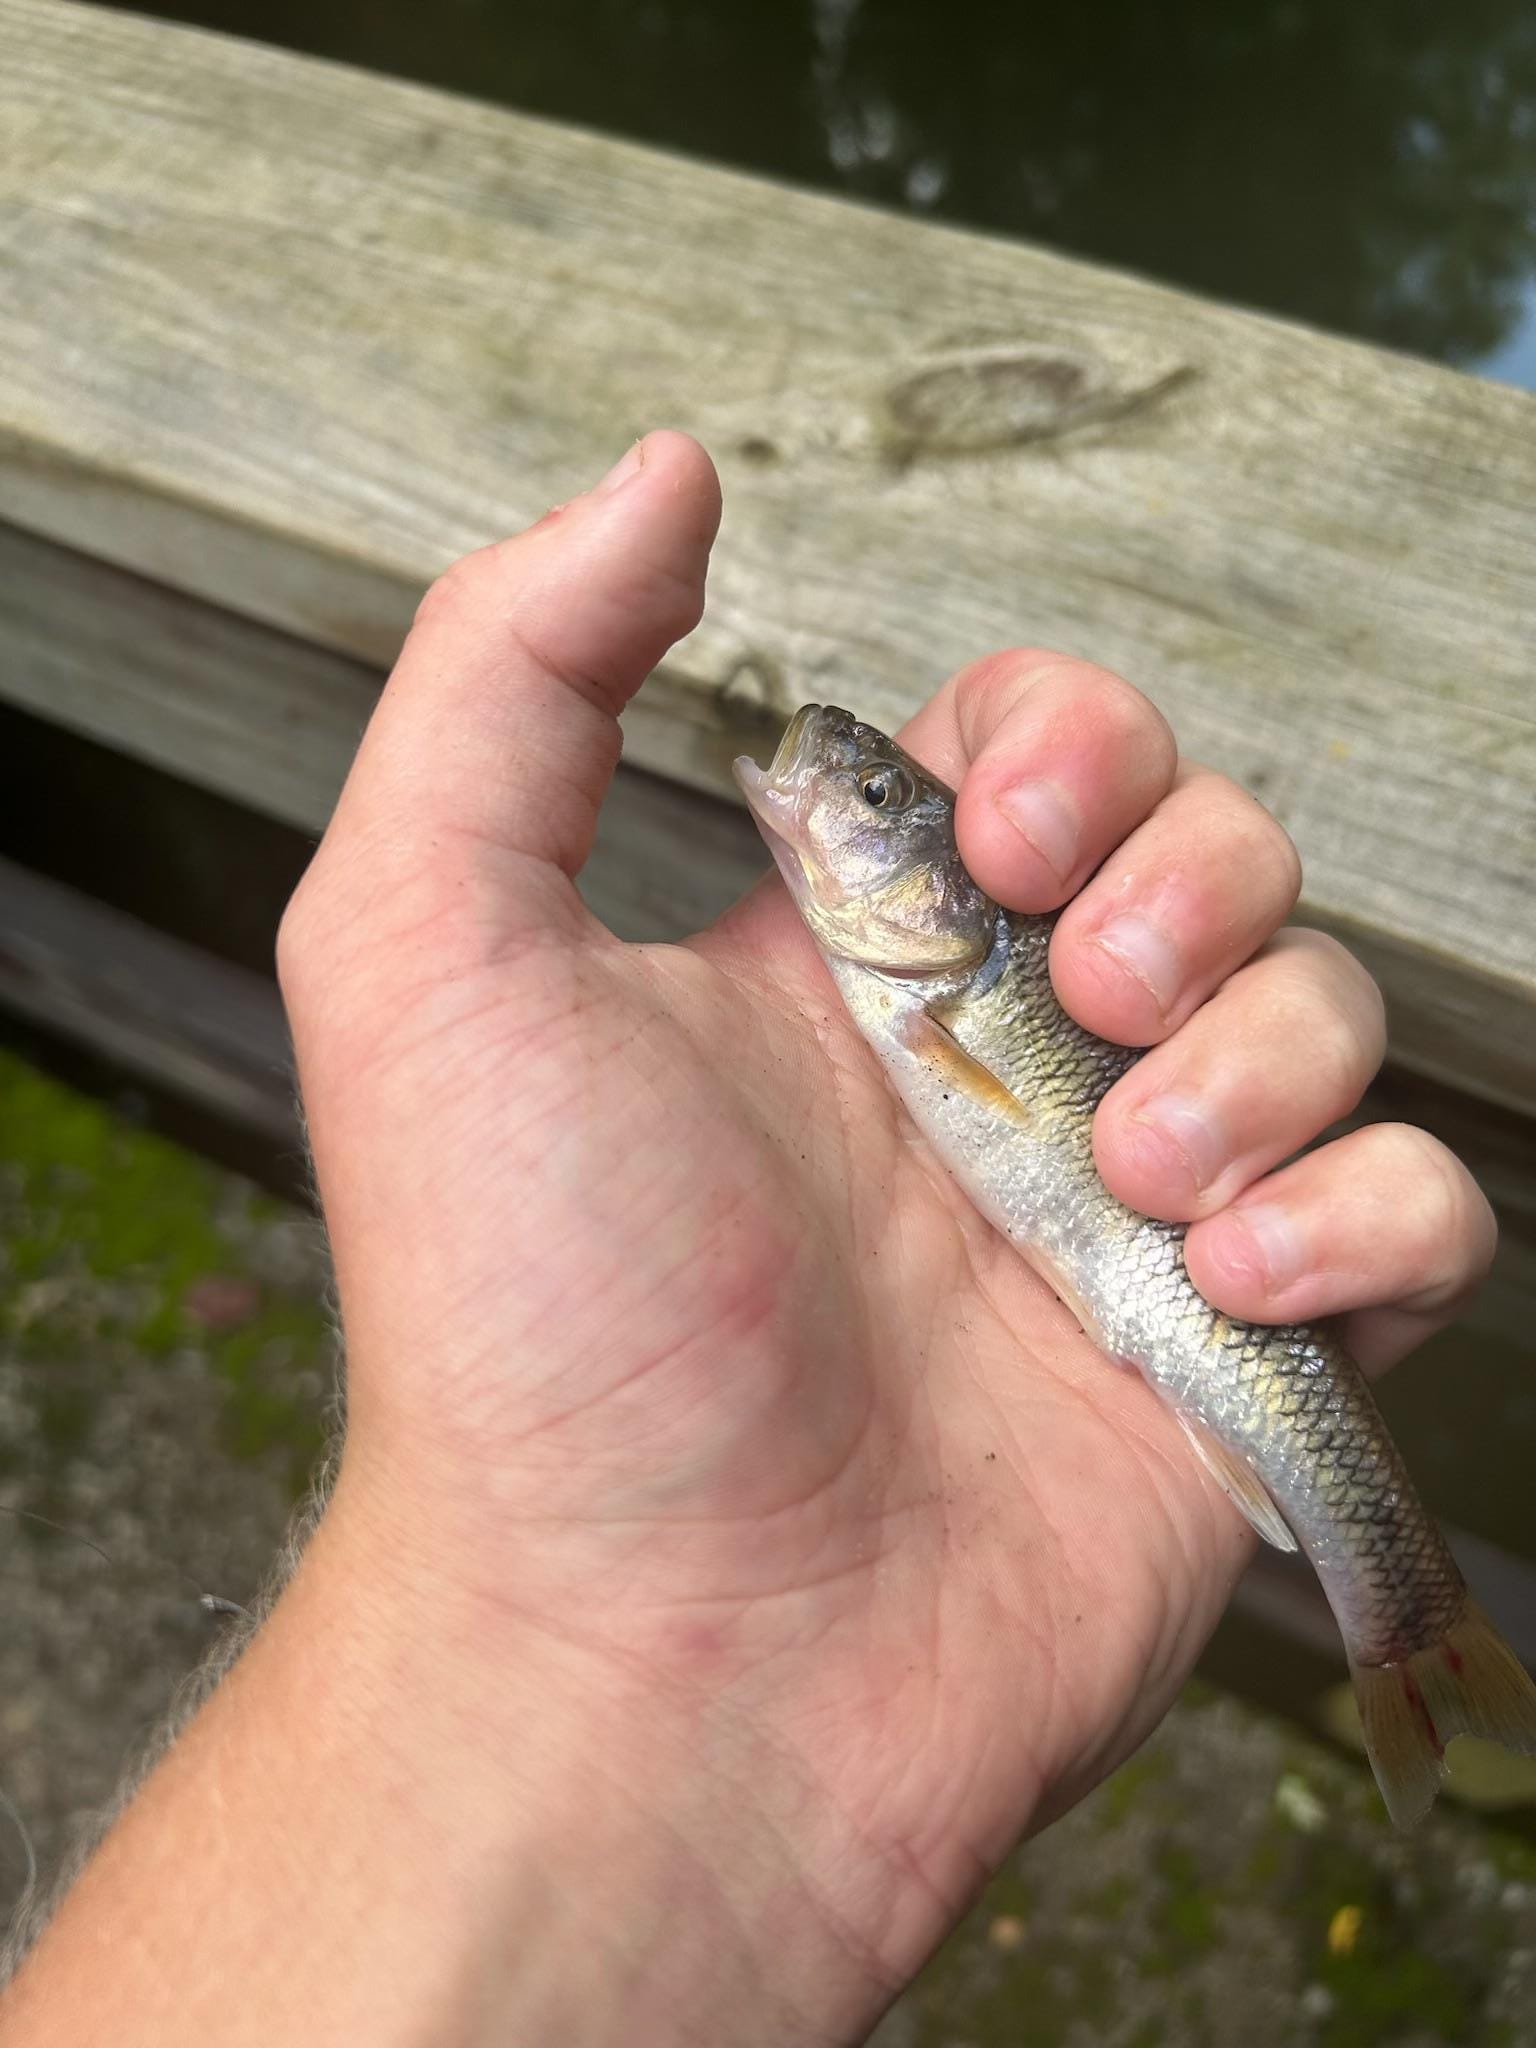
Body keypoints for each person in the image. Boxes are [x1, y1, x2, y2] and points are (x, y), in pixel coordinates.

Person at [0, 434, 1495, 2044]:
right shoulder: (912, 995)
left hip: (1123, 1321)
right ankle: (1421, 1634)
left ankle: (1408, 1614)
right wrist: (590, 1641)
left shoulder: (943, 990)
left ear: (937, 889)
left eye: (867, 799)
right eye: (867, 792)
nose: (831, 789)